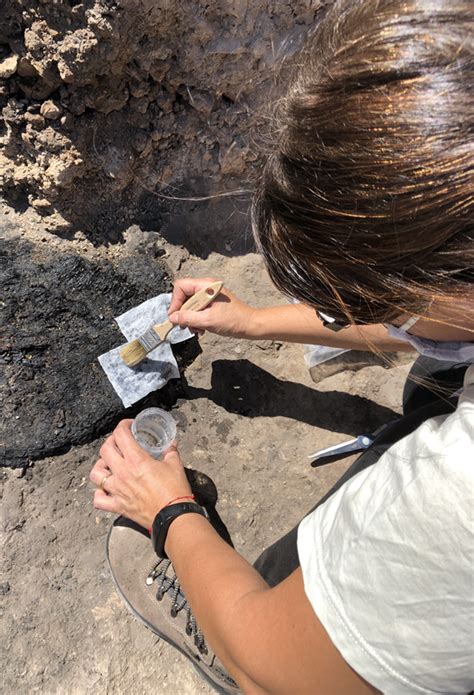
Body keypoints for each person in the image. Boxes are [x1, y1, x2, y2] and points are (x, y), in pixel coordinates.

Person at [90, 1, 473, 692]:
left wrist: (168, 510)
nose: (350, 313)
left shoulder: (457, 496)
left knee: (264, 641)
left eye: (364, 297)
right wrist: (258, 321)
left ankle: (212, 642)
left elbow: (273, 658)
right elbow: (430, 313)